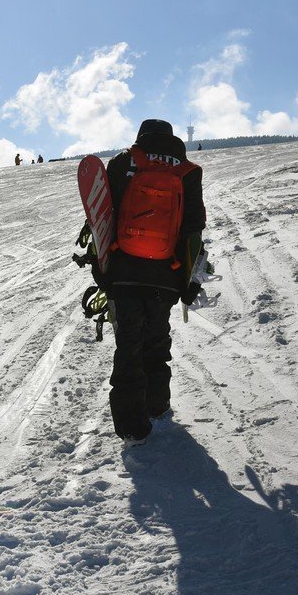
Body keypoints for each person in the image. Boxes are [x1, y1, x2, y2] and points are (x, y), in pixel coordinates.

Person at [104, 119, 205, 448]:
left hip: (125, 270)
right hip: (165, 275)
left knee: (129, 345)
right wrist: (188, 280)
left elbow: (102, 219)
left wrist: (102, 273)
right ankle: (157, 404)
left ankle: (132, 426)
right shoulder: (188, 171)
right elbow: (193, 231)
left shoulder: (123, 163)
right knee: (157, 340)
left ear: (141, 137)